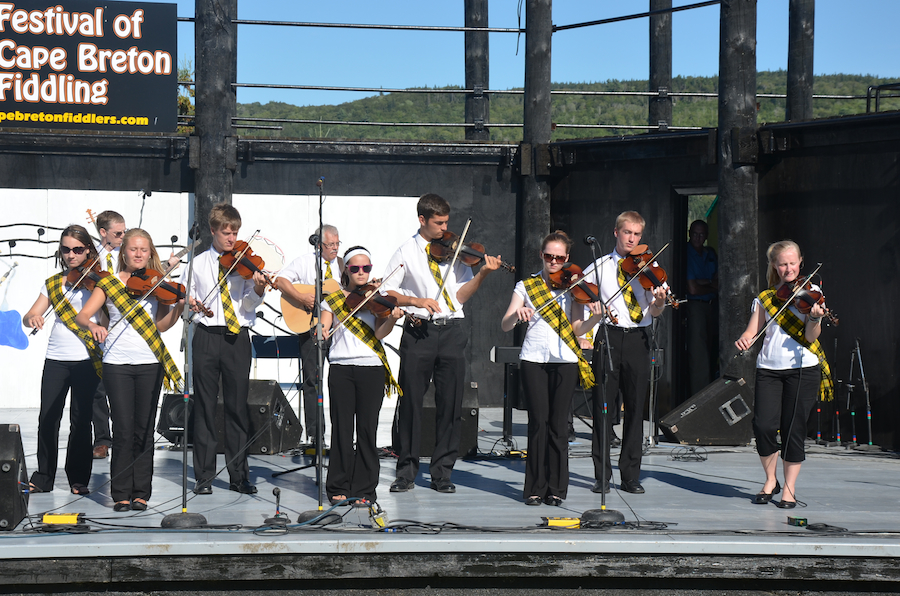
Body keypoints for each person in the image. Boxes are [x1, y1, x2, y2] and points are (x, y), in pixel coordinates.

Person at [381, 193, 501, 494]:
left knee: (450, 403)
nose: (445, 230)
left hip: (451, 331)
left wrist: (483, 274)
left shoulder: (455, 251)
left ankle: (442, 472)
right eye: (439, 223)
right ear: (422, 220)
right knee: (410, 403)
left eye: (447, 222)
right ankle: (406, 471)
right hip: (419, 331)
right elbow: (386, 292)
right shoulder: (406, 251)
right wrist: (416, 301)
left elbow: (459, 296)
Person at [76, 229, 184, 511]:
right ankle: (121, 493)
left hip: (150, 362)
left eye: (143, 250)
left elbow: (161, 326)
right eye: (133, 249)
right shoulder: (108, 284)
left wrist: (179, 307)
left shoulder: (158, 283)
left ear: (150, 254)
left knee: (144, 430)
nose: (138, 254)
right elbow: (82, 315)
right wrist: (94, 325)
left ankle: (141, 493)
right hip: (117, 363)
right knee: (123, 429)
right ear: (123, 252)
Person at [500, 231, 603, 506]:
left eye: (559, 257)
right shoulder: (526, 286)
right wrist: (517, 315)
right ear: (541, 255)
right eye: (549, 256)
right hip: (533, 359)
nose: (554, 262)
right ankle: (535, 488)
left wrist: (595, 319)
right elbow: (505, 324)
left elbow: (577, 328)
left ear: (567, 258)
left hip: (565, 360)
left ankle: (556, 489)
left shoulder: (574, 287)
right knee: (538, 424)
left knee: (558, 426)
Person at [735, 240, 832, 509]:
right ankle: (771, 480)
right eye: (783, 264)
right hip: (769, 369)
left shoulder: (812, 293)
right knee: (763, 426)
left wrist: (815, 318)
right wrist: (744, 339)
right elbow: (751, 330)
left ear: (800, 262)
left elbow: (811, 337)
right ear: (774, 266)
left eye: (792, 263)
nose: (788, 269)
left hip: (803, 369)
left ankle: (789, 488)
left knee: (793, 429)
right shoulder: (766, 297)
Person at [583, 211, 667, 495]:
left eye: (637, 234)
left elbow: (655, 311)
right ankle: (601, 475)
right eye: (627, 232)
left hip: (638, 339)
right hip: (608, 337)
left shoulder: (650, 267)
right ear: (616, 232)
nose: (632, 239)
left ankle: (630, 475)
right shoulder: (599, 266)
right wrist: (588, 317)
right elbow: (580, 297)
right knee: (603, 408)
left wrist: (660, 302)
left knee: (634, 407)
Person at [188, 203, 266, 496]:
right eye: (226, 233)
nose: (232, 239)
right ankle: (204, 476)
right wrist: (193, 305)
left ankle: (238, 475)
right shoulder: (197, 264)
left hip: (236, 338)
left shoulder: (244, 264)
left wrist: (258, 289)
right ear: (213, 231)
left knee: (236, 407)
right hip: (206, 336)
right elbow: (188, 298)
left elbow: (246, 304)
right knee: (205, 406)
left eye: (235, 233)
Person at [22, 225, 104, 494]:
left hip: (86, 359)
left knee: (81, 419)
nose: (71, 255)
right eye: (66, 250)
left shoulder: (99, 282)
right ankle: (44, 476)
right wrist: (33, 318)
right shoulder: (54, 283)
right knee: (48, 417)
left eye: (78, 249)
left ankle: (78, 478)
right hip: (56, 358)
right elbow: (29, 314)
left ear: (88, 250)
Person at [319, 246, 403, 507]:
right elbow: (323, 324)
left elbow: (379, 333)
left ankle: (365, 488)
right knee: (342, 430)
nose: (361, 272)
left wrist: (392, 318)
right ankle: (338, 486)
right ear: (346, 270)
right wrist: (321, 330)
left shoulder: (378, 299)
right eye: (355, 268)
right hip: (341, 369)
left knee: (367, 430)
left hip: (371, 369)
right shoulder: (332, 300)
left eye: (366, 268)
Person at [276, 225, 343, 446]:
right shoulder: (305, 262)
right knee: (313, 381)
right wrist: (301, 297)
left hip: (338, 330)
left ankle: (342, 435)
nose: (335, 248)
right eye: (330, 244)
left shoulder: (343, 265)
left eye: (337, 243)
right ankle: (316, 434)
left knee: (340, 381)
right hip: (311, 327)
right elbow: (281, 280)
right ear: (319, 244)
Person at [90, 210, 126, 460]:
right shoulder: (91, 259)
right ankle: (102, 439)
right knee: (98, 389)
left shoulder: (128, 256)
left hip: (123, 326)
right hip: (97, 326)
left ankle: (125, 436)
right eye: (118, 233)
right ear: (103, 233)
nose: (123, 237)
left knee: (122, 388)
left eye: (124, 232)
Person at [685, 219, 719, 396]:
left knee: (714, 351)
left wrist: (704, 283)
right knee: (699, 355)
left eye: (702, 234)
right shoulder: (685, 252)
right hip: (695, 306)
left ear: (706, 236)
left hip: (714, 307)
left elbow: (720, 280)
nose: (698, 238)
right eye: (695, 234)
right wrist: (711, 285)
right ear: (689, 234)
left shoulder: (710, 253)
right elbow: (692, 289)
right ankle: (700, 396)